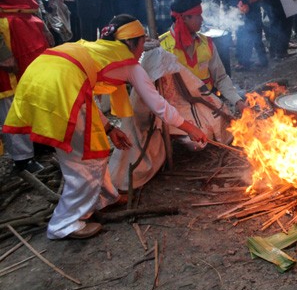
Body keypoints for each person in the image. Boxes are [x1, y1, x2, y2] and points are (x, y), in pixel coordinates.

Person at [3, 15, 208, 239]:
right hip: (58, 85)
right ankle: (64, 224)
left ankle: (104, 198)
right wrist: (190, 127)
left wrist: (109, 128)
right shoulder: (130, 65)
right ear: (131, 43)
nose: (142, 49)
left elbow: (84, 96)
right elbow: (158, 105)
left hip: (40, 76)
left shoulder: (99, 49)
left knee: (89, 151)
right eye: (141, 42)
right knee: (87, 159)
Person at [0, 0, 50, 173]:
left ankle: (39, 139)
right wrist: (1, 51)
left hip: (29, 29)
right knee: (11, 93)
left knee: (35, 85)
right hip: (6, 32)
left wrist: (44, 28)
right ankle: (22, 158)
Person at [160, 0, 245, 112]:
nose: (202, 19)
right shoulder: (161, 47)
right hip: (177, 108)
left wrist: (237, 100)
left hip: (207, 103)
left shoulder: (206, 43)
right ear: (184, 18)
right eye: (198, 15)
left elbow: (220, 77)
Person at [235, 0, 270, 70]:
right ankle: (263, 60)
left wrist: (239, 8)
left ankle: (244, 63)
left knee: (247, 41)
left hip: (249, 22)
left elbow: (245, 10)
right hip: (257, 20)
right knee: (258, 41)